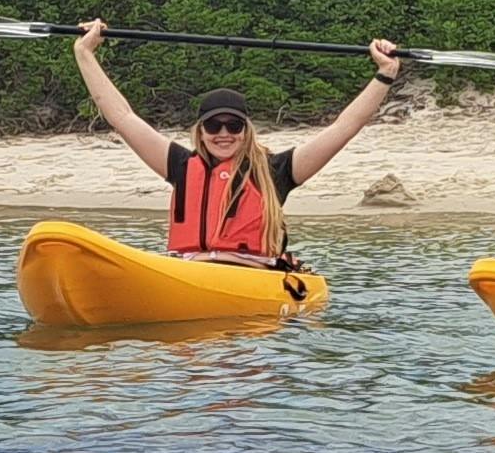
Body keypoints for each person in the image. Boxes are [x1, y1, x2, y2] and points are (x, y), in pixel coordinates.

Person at [71, 18, 405, 267]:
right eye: (214, 125)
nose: (223, 133)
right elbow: (122, 117)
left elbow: (343, 128)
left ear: (246, 130)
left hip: (250, 276)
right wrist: (85, 53)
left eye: (233, 125)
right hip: (189, 270)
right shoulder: (181, 166)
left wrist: (385, 74)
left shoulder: (276, 172)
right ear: (200, 131)